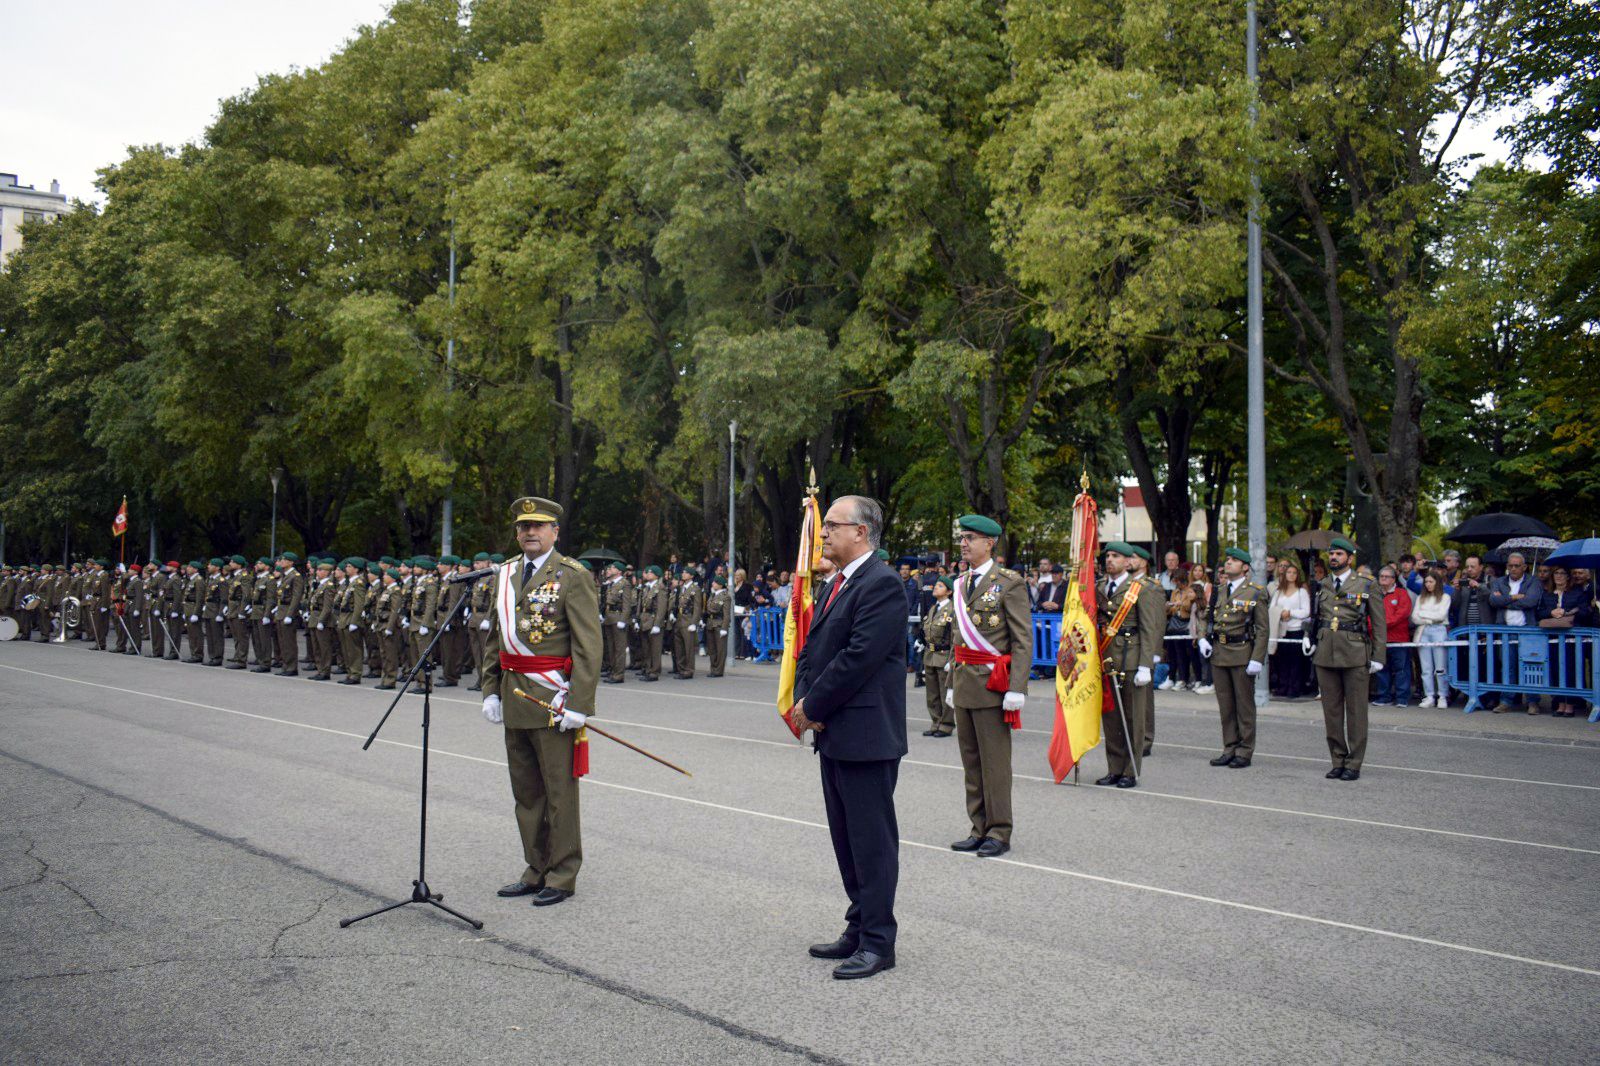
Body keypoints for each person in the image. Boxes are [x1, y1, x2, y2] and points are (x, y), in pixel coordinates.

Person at [787, 494, 906, 980]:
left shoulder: (883, 585)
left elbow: (859, 657)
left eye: (832, 525)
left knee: (872, 843)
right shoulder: (839, 582)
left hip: (866, 734)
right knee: (846, 839)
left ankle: (879, 942)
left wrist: (811, 706)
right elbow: (812, 651)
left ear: (861, 531)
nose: (824, 533)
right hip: (836, 731)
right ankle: (858, 927)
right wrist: (803, 698)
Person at [480, 496, 602, 909]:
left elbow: (589, 646)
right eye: (523, 526)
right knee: (526, 793)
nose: (530, 532)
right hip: (514, 698)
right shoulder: (507, 573)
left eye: (538, 525)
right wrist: (489, 690)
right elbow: (495, 637)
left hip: (555, 702)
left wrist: (580, 704)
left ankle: (563, 874)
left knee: (558, 794)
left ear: (555, 532)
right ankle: (535, 868)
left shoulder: (572, 575)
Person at [946, 514, 1031, 854]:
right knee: (971, 761)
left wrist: (1017, 688)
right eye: (963, 537)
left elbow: (1022, 640)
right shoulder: (961, 582)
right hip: (966, 682)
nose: (963, 543)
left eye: (970, 538)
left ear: (990, 543)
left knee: (994, 764)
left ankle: (999, 831)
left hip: (994, 686)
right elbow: (958, 638)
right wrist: (952, 682)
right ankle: (978, 826)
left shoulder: (1009, 582)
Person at [1309, 538, 1385, 781]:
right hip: (1325, 653)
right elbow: (1316, 616)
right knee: (1331, 712)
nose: (1334, 558)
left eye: (1339, 554)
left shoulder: (1366, 584)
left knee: (1355, 711)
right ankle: (1337, 759)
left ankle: (1354, 763)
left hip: (1354, 652)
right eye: (1331, 554)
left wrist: (1378, 656)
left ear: (1350, 558)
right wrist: (1308, 636)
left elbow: (1379, 623)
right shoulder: (1322, 584)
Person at [1096, 542, 1162, 787]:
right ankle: (1114, 767)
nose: (1110, 560)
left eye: (1116, 556)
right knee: (1111, 717)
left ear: (1128, 561)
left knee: (1133, 718)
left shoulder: (1140, 588)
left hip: (1132, 659)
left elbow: (1149, 628)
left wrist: (1146, 664)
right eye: (1108, 556)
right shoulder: (1100, 587)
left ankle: (1130, 771)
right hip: (1107, 659)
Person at [1197, 547, 1268, 768]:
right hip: (1219, 652)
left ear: (1245, 567)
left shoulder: (1255, 591)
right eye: (1227, 559)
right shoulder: (1219, 590)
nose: (1228, 563)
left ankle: (1244, 751)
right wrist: (1202, 637)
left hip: (1241, 652)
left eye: (1233, 560)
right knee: (1226, 706)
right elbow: (1207, 617)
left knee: (1244, 706)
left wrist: (1257, 658)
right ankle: (1229, 747)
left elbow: (1263, 628)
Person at [1488, 551, 1543, 712]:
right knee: (1507, 666)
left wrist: (1504, 600)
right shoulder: (1499, 582)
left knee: (1531, 666)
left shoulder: (1533, 581)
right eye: (1510, 565)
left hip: (1527, 630)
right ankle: (1506, 701)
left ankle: (1533, 701)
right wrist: (1515, 597)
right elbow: (1493, 601)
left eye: (1517, 566)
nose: (1513, 569)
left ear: (1524, 567)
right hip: (1506, 630)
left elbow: (1530, 601)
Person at [1537, 565, 1585, 716]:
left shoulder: (1577, 593)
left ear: (1568, 576)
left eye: (1562, 573)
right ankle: (1559, 703)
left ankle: (1570, 704)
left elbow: (1585, 612)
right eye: (1556, 573)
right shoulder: (1547, 594)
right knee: (1555, 670)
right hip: (1553, 638)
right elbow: (1539, 612)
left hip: (1571, 639)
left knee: (1571, 669)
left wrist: (1567, 612)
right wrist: (1551, 612)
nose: (1558, 576)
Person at [1268, 562, 1312, 699]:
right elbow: (1271, 608)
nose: (1291, 575)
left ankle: (1294, 688)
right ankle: (1283, 687)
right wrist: (1280, 613)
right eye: (1289, 572)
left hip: (1296, 630)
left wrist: (1290, 612)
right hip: (1280, 630)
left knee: (1295, 661)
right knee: (1281, 661)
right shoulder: (1278, 591)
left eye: (1294, 572)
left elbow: (1306, 611)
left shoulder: (1301, 591)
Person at [919, 576, 955, 737]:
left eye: (940, 586)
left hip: (944, 655)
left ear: (949, 592)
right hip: (930, 655)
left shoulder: (952, 610)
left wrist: (952, 660)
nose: (935, 588)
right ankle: (935, 723)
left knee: (944, 692)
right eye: (936, 585)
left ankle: (946, 725)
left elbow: (955, 637)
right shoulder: (934, 608)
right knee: (932, 693)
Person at [1411, 569, 1451, 708]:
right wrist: (1429, 619)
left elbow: (1441, 616)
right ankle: (1429, 696)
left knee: (1440, 667)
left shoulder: (1445, 597)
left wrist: (1424, 616)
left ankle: (1443, 696)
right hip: (1423, 632)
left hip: (1439, 631)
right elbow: (1415, 618)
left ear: (1437, 583)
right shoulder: (1420, 598)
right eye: (1426, 582)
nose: (1428, 584)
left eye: (1431, 581)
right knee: (1426, 668)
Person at [1159, 566, 1197, 691]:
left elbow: (1193, 605)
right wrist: (1168, 606)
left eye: (1177, 580)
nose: (1175, 583)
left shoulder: (1191, 590)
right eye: (1173, 581)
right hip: (1175, 624)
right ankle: (1176, 679)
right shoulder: (1175, 592)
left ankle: (1189, 679)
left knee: (1189, 654)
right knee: (1174, 653)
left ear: (1182, 580)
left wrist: (1181, 604)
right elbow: (1170, 610)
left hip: (1187, 624)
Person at [635, 566, 667, 681]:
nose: (647, 574)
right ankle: (648, 670)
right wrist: (637, 620)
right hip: (644, 620)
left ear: (656, 575)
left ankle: (654, 672)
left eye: (650, 573)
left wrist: (657, 624)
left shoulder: (660, 587)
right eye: (647, 573)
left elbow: (661, 607)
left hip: (653, 620)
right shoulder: (646, 587)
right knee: (646, 648)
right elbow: (640, 605)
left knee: (655, 649)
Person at [704, 574, 733, 676]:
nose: (713, 584)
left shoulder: (725, 597)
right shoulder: (713, 595)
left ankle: (719, 670)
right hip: (710, 624)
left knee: (720, 649)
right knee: (712, 649)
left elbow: (726, 614)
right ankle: (713, 669)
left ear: (720, 585)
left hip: (719, 624)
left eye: (715, 582)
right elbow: (707, 607)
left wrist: (724, 628)